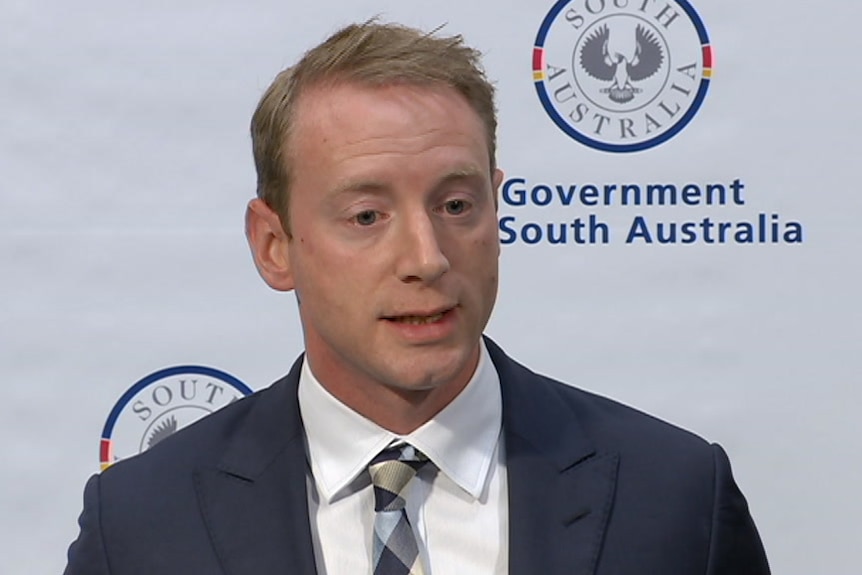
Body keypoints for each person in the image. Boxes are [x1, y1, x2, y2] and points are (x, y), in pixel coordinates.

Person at [64, 20, 770, 575]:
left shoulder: (674, 494)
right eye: (367, 216)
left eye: (457, 204)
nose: (427, 258)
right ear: (274, 244)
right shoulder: (142, 521)